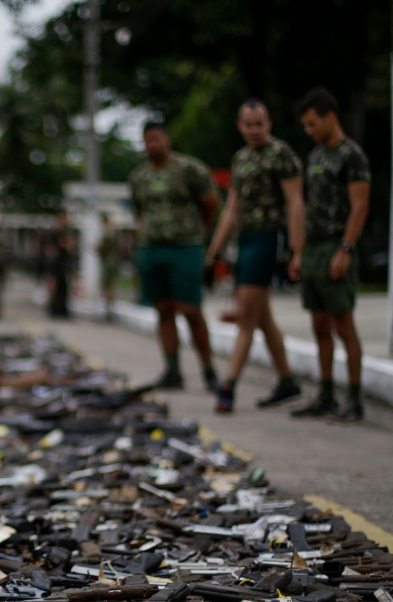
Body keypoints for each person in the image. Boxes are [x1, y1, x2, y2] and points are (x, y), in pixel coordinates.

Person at [205, 99, 304, 413]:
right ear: (239, 126)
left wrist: (296, 249)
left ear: (269, 123)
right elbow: (231, 209)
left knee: (246, 315)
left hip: (268, 237)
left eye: (259, 124)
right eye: (248, 124)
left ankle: (228, 386)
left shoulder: (281, 154)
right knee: (262, 317)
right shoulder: (241, 158)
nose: (254, 130)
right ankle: (287, 381)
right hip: (244, 239)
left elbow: (295, 202)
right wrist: (213, 253)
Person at [290, 88, 371, 421]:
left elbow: (360, 206)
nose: (308, 131)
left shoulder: (351, 155)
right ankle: (325, 395)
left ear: (330, 117)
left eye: (312, 124)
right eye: (305, 126)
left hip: (337, 244)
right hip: (313, 247)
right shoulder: (315, 156)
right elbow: (307, 206)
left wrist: (345, 249)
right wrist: (299, 252)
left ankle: (354, 398)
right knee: (319, 324)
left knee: (343, 324)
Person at [129, 121, 220, 391]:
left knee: (191, 310)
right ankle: (172, 371)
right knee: (163, 309)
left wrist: (197, 233)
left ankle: (209, 371)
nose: (152, 145)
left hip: (185, 247)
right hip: (152, 249)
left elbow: (211, 204)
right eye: (147, 140)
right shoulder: (139, 177)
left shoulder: (190, 169)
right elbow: (138, 211)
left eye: (157, 139)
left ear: (167, 139)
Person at [47, 209, 74, 318]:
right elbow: (63, 244)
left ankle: (62, 307)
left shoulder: (67, 230)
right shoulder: (57, 232)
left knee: (64, 285)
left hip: (64, 260)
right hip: (57, 261)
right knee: (56, 284)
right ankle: (54, 306)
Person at [96, 212, 121, 321]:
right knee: (110, 286)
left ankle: (109, 310)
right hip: (113, 262)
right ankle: (110, 309)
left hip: (108, 263)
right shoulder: (114, 232)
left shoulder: (107, 234)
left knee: (107, 286)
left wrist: (95, 248)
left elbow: (102, 249)